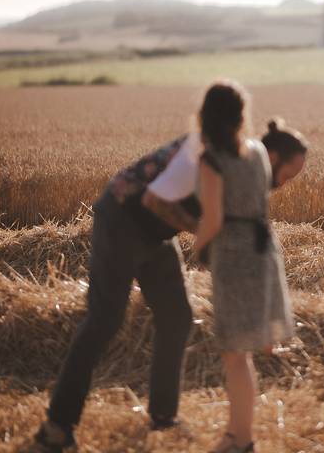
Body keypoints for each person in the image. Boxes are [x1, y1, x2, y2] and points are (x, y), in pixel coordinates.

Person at [32, 81, 306, 452]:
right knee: (105, 319)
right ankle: (57, 427)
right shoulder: (196, 153)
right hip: (122, 222)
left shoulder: (232, 154)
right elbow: (154, 200)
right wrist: (208, 234)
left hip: (157, 235)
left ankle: (164, 416)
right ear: (239, 117)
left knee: (177, 315)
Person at [191, 94, 306, 453]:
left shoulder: (212, 160)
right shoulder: (257, 150)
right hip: (263, 249)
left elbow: (212, 220)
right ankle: (233, 435)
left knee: (235, 353)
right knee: (243, 352)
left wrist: (196, 251)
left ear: (206, 117)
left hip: (234, 254)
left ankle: (242, 441)